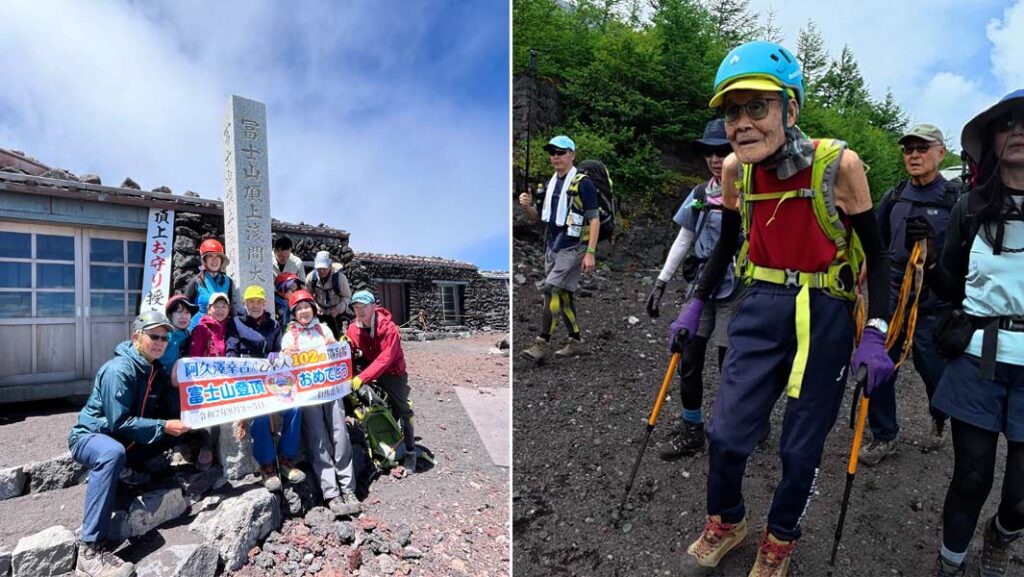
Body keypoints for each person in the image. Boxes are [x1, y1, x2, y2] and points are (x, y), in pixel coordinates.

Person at [670, 41, 894, 576]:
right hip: (760, 302)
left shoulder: (840, 165)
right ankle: (728, 520)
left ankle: (781, 538)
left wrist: (877, 332)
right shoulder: (734, 172)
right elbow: (726, 246)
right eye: (731, 110)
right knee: (726, 433)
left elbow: (879, 256)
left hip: (826, 311)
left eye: (757, 107)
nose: (741, 123)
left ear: (790, 109)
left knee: (801, 446)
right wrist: (695, 303)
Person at [924, 90, 1024, 577]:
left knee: (1021, 494)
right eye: (1008, 123)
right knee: (971, 475)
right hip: (977, 357)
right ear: (992, 140)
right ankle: (951, 564)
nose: (1019, 130)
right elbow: (950, 281)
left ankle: (1003, 532)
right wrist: (923, 259)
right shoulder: (969, 209)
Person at [859, 124, 959, 467]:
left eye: (922, 148)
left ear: (940, 153)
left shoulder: (954, 200)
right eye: (908, 149)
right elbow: (878, 243)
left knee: (934, 371)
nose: (914, 155)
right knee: (881, 365)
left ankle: (939, 416)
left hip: (934, 303)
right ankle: (884, 435)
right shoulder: (895, 195)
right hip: (892, 299)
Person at [645, 118, 744, 459]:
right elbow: (684, 237)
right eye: (710, 153)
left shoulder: (749, 192)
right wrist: (662, 281)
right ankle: (692, 429)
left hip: (737, 286)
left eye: (723, 151)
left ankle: (738, 426)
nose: (716, 159)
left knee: (729, 363)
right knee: (689, 357)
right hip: (701, 285)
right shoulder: (700, 194)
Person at [68, 311, 190, 577]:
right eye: (153, 336)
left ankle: (124, 472)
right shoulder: (119, 369)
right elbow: (118, 422)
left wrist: (173, 386)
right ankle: (89, 550)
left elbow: (164, 411)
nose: (160, 342)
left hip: (125, 442)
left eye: (165, 338)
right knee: (113, 452)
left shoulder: (156, 370)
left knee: (171, 433)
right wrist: (162, 426)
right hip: (91, 437)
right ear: (137, 337)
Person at [518, 135, 599, 361]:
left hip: (574, 247)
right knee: (563, 295)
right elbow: (538, 218)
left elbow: (594, 219)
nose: (555, 156)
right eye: (552, 152)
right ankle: (575, 341)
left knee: (551, 289)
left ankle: (541, 344)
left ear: (572, 154)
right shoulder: (548, 185)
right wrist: (527, 207)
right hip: (552, 246)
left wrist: (590, 253)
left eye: (561, 152)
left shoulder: (584, 184)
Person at [281, 289, 361, 516]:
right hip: (308, 395)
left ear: (314, 309)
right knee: (318, 439)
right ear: (294, 313)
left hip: (331, 389)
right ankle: (331, 493)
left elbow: (338, 353)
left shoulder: (323, 329)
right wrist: (288, 354)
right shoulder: (289, 336)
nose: (304, 312)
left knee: (340, 434)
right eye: (299, 309)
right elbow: (285, 366)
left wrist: (333, 344)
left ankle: (349, 488)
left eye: (307, 307)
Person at [225, 285, 305, 492]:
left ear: (265, 303)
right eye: (250, 302)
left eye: (259, 301)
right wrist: (238, 364)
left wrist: (278, 356)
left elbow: (279, 350)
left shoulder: (274, 325)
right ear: (244, 304)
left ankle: (287, 460)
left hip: (272, 377)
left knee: (294, 407)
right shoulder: (235, 323)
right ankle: (267, 466)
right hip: (248, 379)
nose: (255, 305)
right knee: (259, 414)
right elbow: (231, 349)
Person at [346, 290, 417, 472]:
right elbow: (350, 349)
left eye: (364, 306)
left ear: (373, 306)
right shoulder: (354, 328)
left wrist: (362, 377)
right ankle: (381, 439)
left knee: (403, 409)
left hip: (393, 372)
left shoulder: (388, 327)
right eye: (356, 307)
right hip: (371, 368)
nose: (360, 311)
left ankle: (410, 452)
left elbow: (386, 357)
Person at [186, 291, 232, 471]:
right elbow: (194, 357)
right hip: (207, 380)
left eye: (224, 306)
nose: (220, 310)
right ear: (209, 309)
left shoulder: (231, 327)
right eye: (216, 306)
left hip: (228, 379)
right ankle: (206, 448)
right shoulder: (201, 328)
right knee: (211, 408)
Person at [183, 238, 236, 332]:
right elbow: (184, 309)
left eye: (217, 256)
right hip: (197, 331)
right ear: (204, 260)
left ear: (221, 260)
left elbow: (231, 308)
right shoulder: (196, 282)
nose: (214, 260)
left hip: (221, 331)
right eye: (210, 256)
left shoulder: (228, 282)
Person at [305, 251, 353, 338]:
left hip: (336, 315)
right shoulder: (311, 278)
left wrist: (338, 309)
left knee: (337, 339)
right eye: (319, 268)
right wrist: (315, 306)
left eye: (325, 268)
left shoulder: (340, 279)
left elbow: (347, 297)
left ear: (330, 265)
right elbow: (308, 296)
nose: (322, 271)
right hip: (319, 314)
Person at [159, 295, 197, 371]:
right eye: (179, 312)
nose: (183, 316)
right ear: (170, 315)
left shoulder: (190, 336)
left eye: (187, 312)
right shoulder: (163, 337)